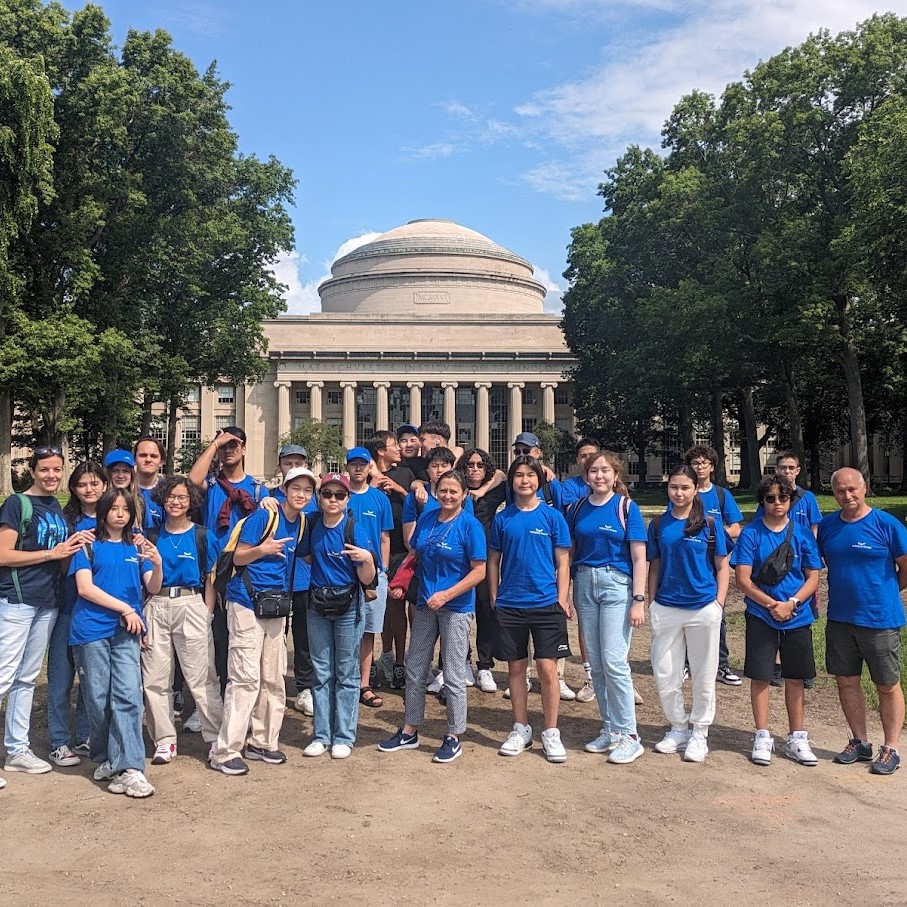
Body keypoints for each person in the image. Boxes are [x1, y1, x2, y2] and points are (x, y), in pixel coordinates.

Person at [208, 467, 312, 776]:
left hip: (275, 605)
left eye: (307, 490)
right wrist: (262, 550)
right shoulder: (264, 516)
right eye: (296, 488)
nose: (302, 495)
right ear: (285, 489)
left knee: (273, 676)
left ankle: (263, 741)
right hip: (246, 602)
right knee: (245, 678)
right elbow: (237, 557)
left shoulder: (301, 522)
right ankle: (225, 751)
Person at [378, 471, 486, 763]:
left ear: (464, 494)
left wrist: (447, 595)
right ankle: (410, 729)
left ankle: (454, 735)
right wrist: (401, 583)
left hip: (455, 607)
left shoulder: (470, 526)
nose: (447, 496)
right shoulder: (427, 518)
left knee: (453, 673)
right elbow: (415, 554)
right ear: (436, 492)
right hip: (426, 603)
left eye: (454, 491)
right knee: (415, 668)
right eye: (443, 490)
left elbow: (479, 571)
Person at [69, 487, 163, 798]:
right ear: (103, 511)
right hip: (91, 630)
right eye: (114, 508)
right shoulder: (87, 544)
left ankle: (131, 768)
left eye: (126, 509)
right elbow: (85, 588)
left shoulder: (137, 544)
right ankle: (108, 757)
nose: (120, 514)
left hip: (127, 632)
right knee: (97, 699)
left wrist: (157, 563)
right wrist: (125, 608)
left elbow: (153, 586)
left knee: (128, 697)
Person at [818, 467, 907, 776]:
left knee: (887, 685)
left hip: (880, 620)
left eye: (852, 489)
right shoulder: (828, 526)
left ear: (864, 488)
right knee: (846, 680)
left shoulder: (886, 524)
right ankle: (860, 741)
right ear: (834, 494)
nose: (847, 495)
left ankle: (891, 747)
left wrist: (886, 593)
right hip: (840, 618)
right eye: (840, 491)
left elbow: (905, 566)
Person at [0, 446, 80, 783]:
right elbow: (3, 554)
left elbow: (62, 558)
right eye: (44, 469)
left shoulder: (58, 508)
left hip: (48, 601)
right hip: (18, 600)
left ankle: (17, 750)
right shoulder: (17, 504)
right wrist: (51, 554)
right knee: (4, 674)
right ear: (32, 470)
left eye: (57, 469)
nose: (51, 475)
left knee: (27, 677)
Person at [734, 474, 822, 766]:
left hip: (797, 615)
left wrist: (792, 603)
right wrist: (772, 605)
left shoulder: (802, 534)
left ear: (790, 500)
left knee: (795, 676)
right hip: (762, 614)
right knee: (761, 675)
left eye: (782, 498)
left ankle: (797, 736)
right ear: (762, 501)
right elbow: (743, 579)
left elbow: (813, 577)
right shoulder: (751, 533)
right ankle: (762, 734)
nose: (777, 503)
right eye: (770, 498)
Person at [489, 455, 572, 763]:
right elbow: (493, 561)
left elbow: (563, 562)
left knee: (548, 670)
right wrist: (495, 596)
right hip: (511, 604)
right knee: (515, 669)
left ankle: (551, 731)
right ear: (512, 481)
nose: (524, 480)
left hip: (545, 603)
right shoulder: (503, 518)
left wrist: (561, 599)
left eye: (530, 475)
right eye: (519, 475)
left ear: (539, 480)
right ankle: (520, 727)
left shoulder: (553, 518)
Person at [647, 464, 729, 763]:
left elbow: (722, 565)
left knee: (704, 673)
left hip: (702, 607)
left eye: (685, 488)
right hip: (667, 606)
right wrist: (652, 602)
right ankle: (678, 727)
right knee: (665, 673)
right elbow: (654, 566)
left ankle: (699, 732)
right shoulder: (659, 524)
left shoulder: (709, 524)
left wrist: (718, 604)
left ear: (695, 490)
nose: (679, 493)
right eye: (674, 487)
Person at [569, 451, 647, 764]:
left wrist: (638, 600)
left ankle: (631, 735)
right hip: (585, 583)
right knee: (597, 665)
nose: (599, 476)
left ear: (615, 475)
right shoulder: (577, 508)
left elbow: (639, 556)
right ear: (586, 476)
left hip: (617, 585)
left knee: (614, 661)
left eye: (605, 471)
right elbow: (571, 550)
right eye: (593, 471)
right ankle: (611, 729)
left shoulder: (626, 507)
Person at [141, 475, 223, 765]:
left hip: (191, 603)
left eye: (182, 498)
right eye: (171, 497)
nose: (176, 502)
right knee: (155, 678)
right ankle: (164, 740)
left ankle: (215, 737)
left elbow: (212, 577)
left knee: (202, 676)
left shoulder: (202, 535)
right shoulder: (151, 536)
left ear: (191, 502)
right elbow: (149, 582)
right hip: (158, 603)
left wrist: (207, 611)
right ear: (162, 499)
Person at [301, 472, 375, 760]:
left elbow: (367, 578)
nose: (333, 499)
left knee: (346, 672)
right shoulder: (312, 524)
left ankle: (343, 735)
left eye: (339, 495)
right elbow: (307, 557)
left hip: (348, 603)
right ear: (320, 497)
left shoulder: (354, 528)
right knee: (321, 671)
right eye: (327, 494)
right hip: (318, 603)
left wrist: (367, 559)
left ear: (347, 498)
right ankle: (321, 734)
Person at [188, 426, 266, 691]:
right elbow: (192, 480)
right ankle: (213, 695)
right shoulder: (211, 485)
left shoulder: (257, 489)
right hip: (212, 571)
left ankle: (237, 694)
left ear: (244, 449)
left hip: (243, 573)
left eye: (234, 445)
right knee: (213, 637)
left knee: (240, 640)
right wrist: (215, 444)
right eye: (224, 447)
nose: (228, 450)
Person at [504, 432, 574, 702]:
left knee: (550, 651)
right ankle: (525, 679)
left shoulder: (551, 486)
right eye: (518, 450)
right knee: (519, 653)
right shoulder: (511, 483)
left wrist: (563, 595)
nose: (523, 454)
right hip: (517, 579)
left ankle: (559, 679)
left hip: (547, 567)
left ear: (539, 452)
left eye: (528, 450)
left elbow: (562, 522)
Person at [47, 461, 107, 767]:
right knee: (60, 677)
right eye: (82, 484)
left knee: (90, 679)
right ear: (73, 488)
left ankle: (85, 735)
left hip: (97, 612)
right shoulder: (65, 519)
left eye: (94, 483)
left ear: (105, 485)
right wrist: (70, 547)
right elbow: (56, 566)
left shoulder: (114, 518)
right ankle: (58, 740)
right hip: (67, 606)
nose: (89, 489)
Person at [401, 447, 475, 692]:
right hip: (426, 589)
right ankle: (413, 712)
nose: (440, 470)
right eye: (435, 465)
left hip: (455, 595)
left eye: (445, 465)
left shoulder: (466, 513)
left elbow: (475, 560)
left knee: (454, 668)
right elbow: (413, 546)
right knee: (417, 662)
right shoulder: (420, 502)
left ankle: (450, 687)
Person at [753, 450, 822, 688]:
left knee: (803, 612)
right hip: (775, 562)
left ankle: (803, 667)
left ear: (798, 470)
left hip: (801, 558)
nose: (787, 471)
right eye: (783, 467)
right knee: (772, 614)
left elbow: (814, 527)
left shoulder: (807, 497)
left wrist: (810, 556)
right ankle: (777, 665)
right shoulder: (769, 495)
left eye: (791, 468)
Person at [260, 444, 318, 717]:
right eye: (288, 462)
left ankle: (305, 688)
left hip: (303, 579)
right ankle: (272, 688)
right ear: (280, 466)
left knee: (304, 638)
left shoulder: (312, 498)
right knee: (274, 638)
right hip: (275, 583)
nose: (293, 467)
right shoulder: (269, 498)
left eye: (299, 462)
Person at [684, 445, 743, 687]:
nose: (700, 467)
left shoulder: (721, 495)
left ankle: (721, 664)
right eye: (695, 463)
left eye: (704, 463)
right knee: (686, 612)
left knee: (717, 613)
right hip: (690, 560)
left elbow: (736, 528)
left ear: (712, 467)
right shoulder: (684, 491)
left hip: (715, 559)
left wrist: (712, 534)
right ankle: (686, 663)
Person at [344, 447, 393, 708]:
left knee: (368, 630)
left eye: (362, 464)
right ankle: (346, 681)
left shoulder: (379, 499)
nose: (358, 468)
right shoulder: (340, 494)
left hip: (373, 574)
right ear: (347, 467)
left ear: (369, 467)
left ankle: (364, 684)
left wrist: (382, 570)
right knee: (344, 628)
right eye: (353, 464)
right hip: (343, 573)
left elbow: (385, 537)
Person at [456, 448, 504, 693]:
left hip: (484, 560)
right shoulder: (456, 490)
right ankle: (462, 662)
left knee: (486, 611)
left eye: (480, 465)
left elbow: (504, 475)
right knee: (458, 614)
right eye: (470, 465)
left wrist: (483, 490)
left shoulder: (493, 492)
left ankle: (485, 665)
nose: (475, 469)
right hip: (458, 561)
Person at [370, 431, 415, 691]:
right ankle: (379, 657)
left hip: (399, 550)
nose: (399, 448)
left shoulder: (405, 474)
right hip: (372, 552)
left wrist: (399, 489)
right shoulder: (367, 475)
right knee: (374, 610)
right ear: (380, 451)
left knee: (396, 607)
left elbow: (418, 504)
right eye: (393, 445)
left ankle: (398, 661)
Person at [104, 448, 146, 529]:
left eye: (125, 471)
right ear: (108, 474)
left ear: (132, 474)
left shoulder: (139, 502)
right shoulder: (101, 500)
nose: (120, 476)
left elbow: (148, 531)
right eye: (115, 471)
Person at [134, 436, 166, 529]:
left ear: (162, 461)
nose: (148, 460)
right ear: (134, 459)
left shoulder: (168, 491)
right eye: (143, 455)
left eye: (153, 456)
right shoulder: (124, 489)